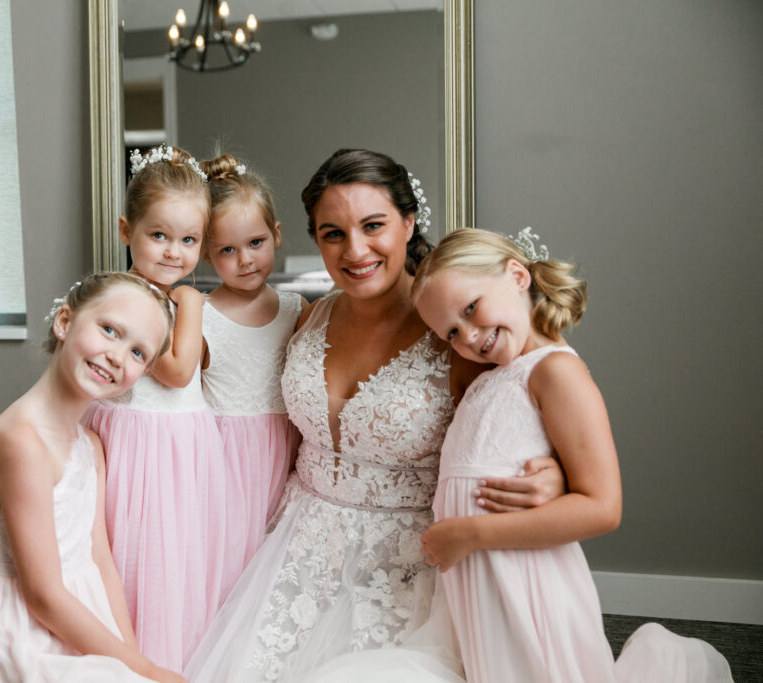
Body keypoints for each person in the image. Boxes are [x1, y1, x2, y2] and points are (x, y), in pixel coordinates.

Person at [184, 149, 564, 683]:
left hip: (409, 563)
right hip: (295, 547)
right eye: (333, 233)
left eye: (373, 225)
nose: (355, 249)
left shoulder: (456, 333)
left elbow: (539, 394)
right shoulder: (308, 317)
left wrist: (554, 472)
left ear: (409, 223)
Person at [408, 227, 733, 682]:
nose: (469, 336)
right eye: (452, 332)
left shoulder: (555, 371)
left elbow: (602, 507)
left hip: (529, 584)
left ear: (517, 275)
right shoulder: (486, 377)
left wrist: (470, 534)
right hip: (480, 587)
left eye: (471, 308)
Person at [0, 273, 185, 683]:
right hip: (20, 631)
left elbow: (101, 561)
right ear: (65, 322)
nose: (117, 355)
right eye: (109, 330)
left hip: (79, 610)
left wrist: (134, 661)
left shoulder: (89, 445)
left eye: (137, 353)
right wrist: (145, 671)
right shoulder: (20, 442)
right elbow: (42, 596)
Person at [83, 145, 226, 671]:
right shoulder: (132, 296)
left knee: (179, 556)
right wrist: (191, 302)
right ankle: (139, 660)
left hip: (183, 441)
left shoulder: (161, 296)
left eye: (188, 240)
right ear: (127, 231)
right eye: (158, 235)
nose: (173, 252)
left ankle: (175, 659)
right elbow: (176, 370)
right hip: (139, 439)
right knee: (136, 553)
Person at [199, 154, 306, 597]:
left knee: (270, 567)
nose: (245, 260)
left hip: (282, 453)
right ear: (207, 254)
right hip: (221, 459)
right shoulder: (200, 316)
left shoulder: (298, 310)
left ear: (277, 235)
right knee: (224, 562)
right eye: (227, 250)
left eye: (256, 242)